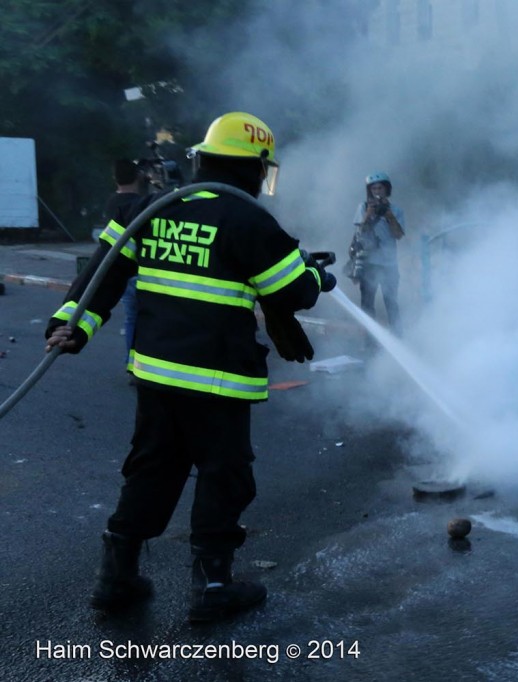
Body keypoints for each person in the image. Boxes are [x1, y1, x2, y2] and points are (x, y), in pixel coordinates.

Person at [44, 111, 336, 623]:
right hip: (218, 381)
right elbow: (296, 291)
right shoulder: (249, 221)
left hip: (157, 375)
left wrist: (71, 326)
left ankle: (115, 578)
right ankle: (214, 586)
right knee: (224, 476)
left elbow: (101, 276)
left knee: (151, 470)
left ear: (202, 160)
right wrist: (314, 271)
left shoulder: (148, 208)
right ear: (254, 170)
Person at [102, 158, 147, 376]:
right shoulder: (144, 203)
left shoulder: (111, 203)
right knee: (148, 321)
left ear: (114, 179)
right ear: (138, 177)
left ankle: (131, 365)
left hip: (122, 273)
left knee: (131, 319)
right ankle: (145, 366)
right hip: (144, 271)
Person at [350, 171, 405, 339]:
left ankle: (397, 338)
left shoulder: (396, 210)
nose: (377, 191)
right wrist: (368, 214)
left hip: (389, 264)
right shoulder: (362, 207)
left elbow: (398, 235)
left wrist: (389, 216)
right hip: (369, 264)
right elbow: (360, 232)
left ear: (386, 189)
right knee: (367, 305)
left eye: (380, 188)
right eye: (373, 188)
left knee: (392, 303)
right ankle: (369, 341)